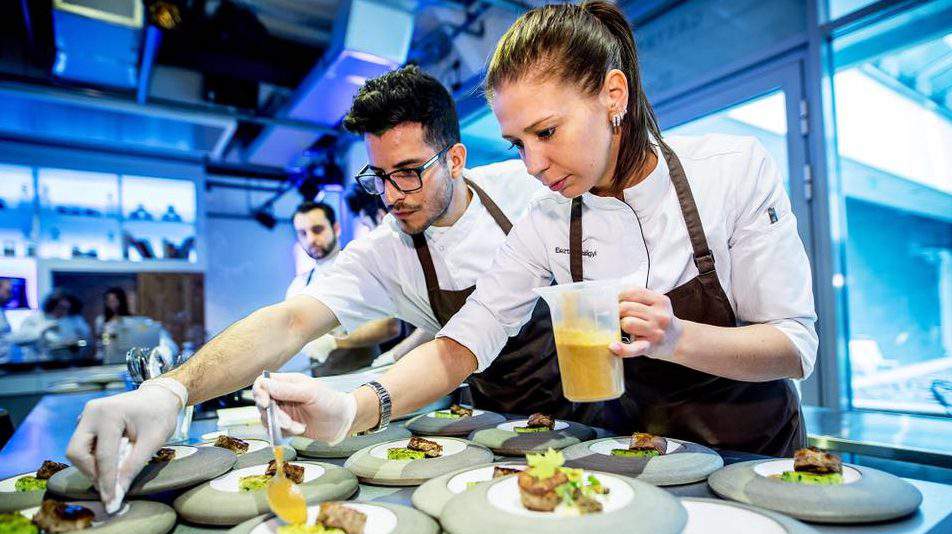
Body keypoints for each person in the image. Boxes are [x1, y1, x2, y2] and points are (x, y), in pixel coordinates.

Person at [251, 1, 817, 457]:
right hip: (638, 455)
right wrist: (351, 409)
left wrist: (677, 339)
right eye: (518, 144)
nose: (533, 165)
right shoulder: (547, 219)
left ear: (613, 95)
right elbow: (465, 340)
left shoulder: (732, 170)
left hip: (756, 458)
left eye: (546, 132)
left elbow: (793, 346)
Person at [66, 65, 573, 511]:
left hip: (587, 409)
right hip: (490, 423)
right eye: (379, 177)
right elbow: (288, 322)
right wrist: (171, 389)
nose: (392, 195)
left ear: (456, 159)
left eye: (408, 173)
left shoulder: (528, 187)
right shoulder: (384, 251)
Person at [285, 200, 401, 376]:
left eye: (317, 229)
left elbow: (390, 326)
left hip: (366, 377)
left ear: (336, 228)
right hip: (322, 381)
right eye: (302, 233)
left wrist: (335, 342)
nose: (311, 239)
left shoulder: (361, 269)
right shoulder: (298, 286)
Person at [19, 291, 92, 361]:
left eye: (67, 309)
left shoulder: (75, 320)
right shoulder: (34, 319)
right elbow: (20, 340)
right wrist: (43, 329)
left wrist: (76, 343)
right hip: (38, 362)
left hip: (66, 362)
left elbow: (86, 341)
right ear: (51, 305)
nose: (63, 311)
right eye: (61, 307)